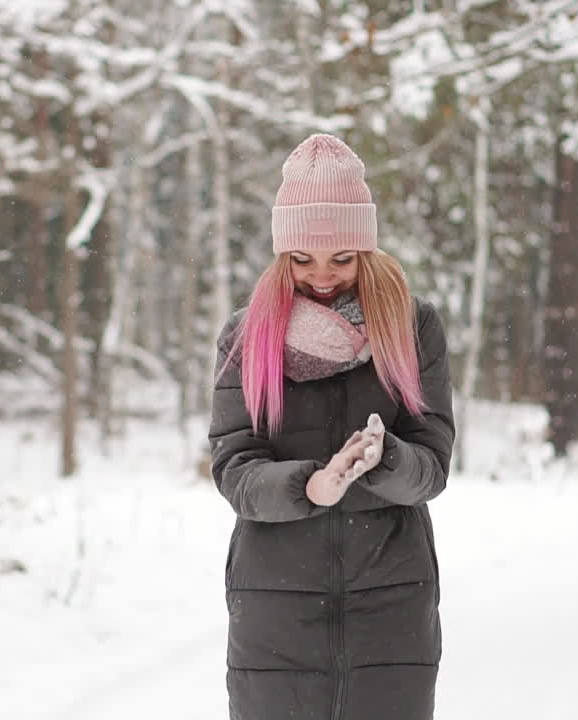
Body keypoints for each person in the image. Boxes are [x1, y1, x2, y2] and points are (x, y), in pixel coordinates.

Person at [208, 133, 455, 720]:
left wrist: (386, 459)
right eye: (302, 258)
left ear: (366, 249)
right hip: (275, 605)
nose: (322, 275)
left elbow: (433, 464)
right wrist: (309, 486)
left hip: (393, 600)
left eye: (341, 258)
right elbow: (234, 465)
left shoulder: (412, 325)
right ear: (281, 252)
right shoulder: (248, 336)